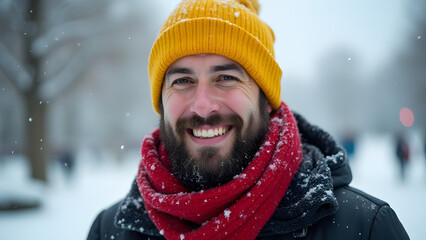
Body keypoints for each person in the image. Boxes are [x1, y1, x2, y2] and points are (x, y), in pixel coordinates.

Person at [87, 0, 409, 239]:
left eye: (225, 78)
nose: (202, 106)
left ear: (266, 99)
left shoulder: (364, 229)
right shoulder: (110, 230)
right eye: (182, 81)